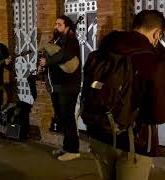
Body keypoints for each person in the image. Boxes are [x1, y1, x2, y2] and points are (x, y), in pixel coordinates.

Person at [86, 10, 165, 180]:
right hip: (133, 143)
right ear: (157, 33)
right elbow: (159, 115)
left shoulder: (101, 52)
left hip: (98, 134)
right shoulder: (152, 61)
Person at [39, 16, 82, 161]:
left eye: (59, 24)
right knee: (61, 117)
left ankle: (73, 150)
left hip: (68, 86)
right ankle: (66, 146)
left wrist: (48, 61)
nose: (55, 26)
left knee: (68, 117)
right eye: (55, 23)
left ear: (67, 27)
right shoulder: (56, 40)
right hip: (56, 86)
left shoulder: (71, 41)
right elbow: (47, 55)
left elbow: (65, 55)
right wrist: (42, 66)